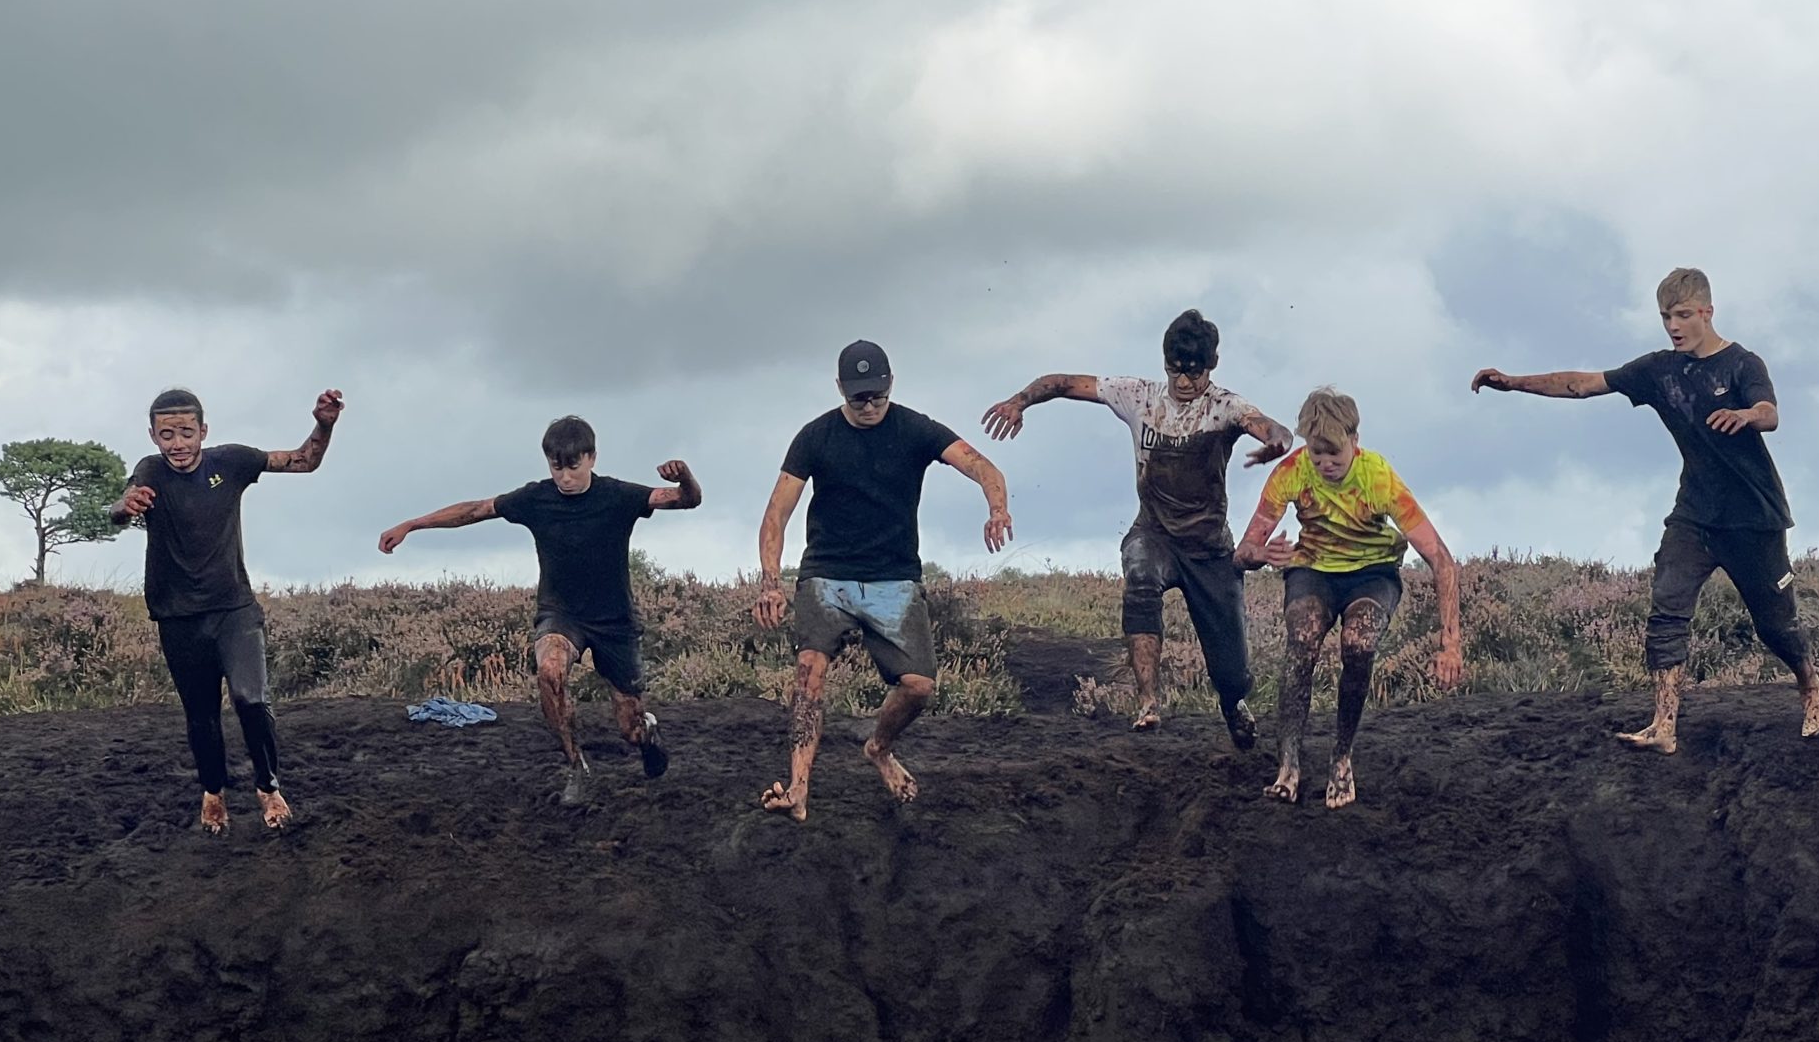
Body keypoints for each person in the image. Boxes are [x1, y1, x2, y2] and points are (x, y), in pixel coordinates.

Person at [1472, 267, 1819, 749]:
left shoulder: (1742, 364)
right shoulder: (1658, 370)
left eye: (1683, 315)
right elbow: (1583, 384)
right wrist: (1513, 383)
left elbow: (1770, 413)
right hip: (1694, 516)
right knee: (1667, 607)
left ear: (1707, 311)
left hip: (1754, 517)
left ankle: (1812, 688)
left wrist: (1747, 415)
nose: (1674, 326)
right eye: (1666, 317)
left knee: (1775, 624)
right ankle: (1664, 726)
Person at [982, 309, 1292, 743]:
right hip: (1154, 534)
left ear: (1212, 365)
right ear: (1164, 364)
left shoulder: (1225, 407)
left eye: (1194, 373)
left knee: (1233, 672)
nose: (1184, 383)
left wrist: (1273, 444)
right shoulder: (1139, 396)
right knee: (1140, 578)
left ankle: (1232, 702)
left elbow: (1275, 430)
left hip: (1208, 548)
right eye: (1175, 372)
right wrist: (1019, 401)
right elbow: (1063, 383)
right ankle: (1148, 701)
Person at [378, 416, 702, 805]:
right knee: (549, 669)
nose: (565, 477)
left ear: (592, 458)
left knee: (629, 729)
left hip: (614, 622)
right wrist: (413, 524)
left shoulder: (617, 495)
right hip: (561, 614)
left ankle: (647, 732)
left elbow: (686, 500)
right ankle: (576, 766)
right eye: (556, 467)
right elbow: (477, 510)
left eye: (574, 467)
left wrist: (684, 477)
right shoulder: (535, 499)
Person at [752, 340, 1012, 815]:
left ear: (891, 385)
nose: (869, 406)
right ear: (840, 391)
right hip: (827, 573)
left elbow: (981, 465)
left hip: (893, 578)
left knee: (919, 686)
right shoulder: (815, 437)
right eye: (858, 398)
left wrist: (997, 509)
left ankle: (879, 748)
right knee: (810, 670)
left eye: (876, 395)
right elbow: (776, 513)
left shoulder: (915, 429)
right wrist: (770, 581)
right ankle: (799, 788)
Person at [110, 385, 344, 835]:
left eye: (185, 432)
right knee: (201, 714)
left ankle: (268, 787)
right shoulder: (150, 471)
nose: (177, 444)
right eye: (166, 435)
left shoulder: (231, 461)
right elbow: (122, 506)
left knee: (251, 700)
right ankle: (213, 793)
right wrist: (127, 505)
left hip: (234, 608)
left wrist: (324, 425)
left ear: (203, 431)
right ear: (153, 436)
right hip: (177, 614)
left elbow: (304, 460)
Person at [1231, 386, 1462, 808]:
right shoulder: (1292, 471)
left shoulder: (1378, 477)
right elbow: (1243, 551)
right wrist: (1260, 555)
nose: (1326, 465)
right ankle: (1289, 765)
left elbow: (1441, 560)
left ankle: (1341, 759)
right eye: (1317, 456)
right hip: (1313, 569)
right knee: (1302, 637)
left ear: (1355, 440)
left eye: (1334, 455)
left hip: (1371, 574)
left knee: (1359, 642)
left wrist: (1450, 644)